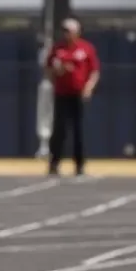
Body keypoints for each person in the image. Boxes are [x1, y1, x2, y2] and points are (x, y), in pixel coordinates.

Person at [45, 18, 99, 176]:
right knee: (59, 129)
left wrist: (88, 88)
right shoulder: (58, 48)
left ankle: (80, 164)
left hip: (78, 94)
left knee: (78, 130)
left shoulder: (86, 48)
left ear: (77, 32)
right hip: (62, 93)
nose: (66, 34)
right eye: (64, 31)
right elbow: (48, 68)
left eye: (69, 31)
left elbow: (94, 71)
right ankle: (54, 162)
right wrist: (56, 76)